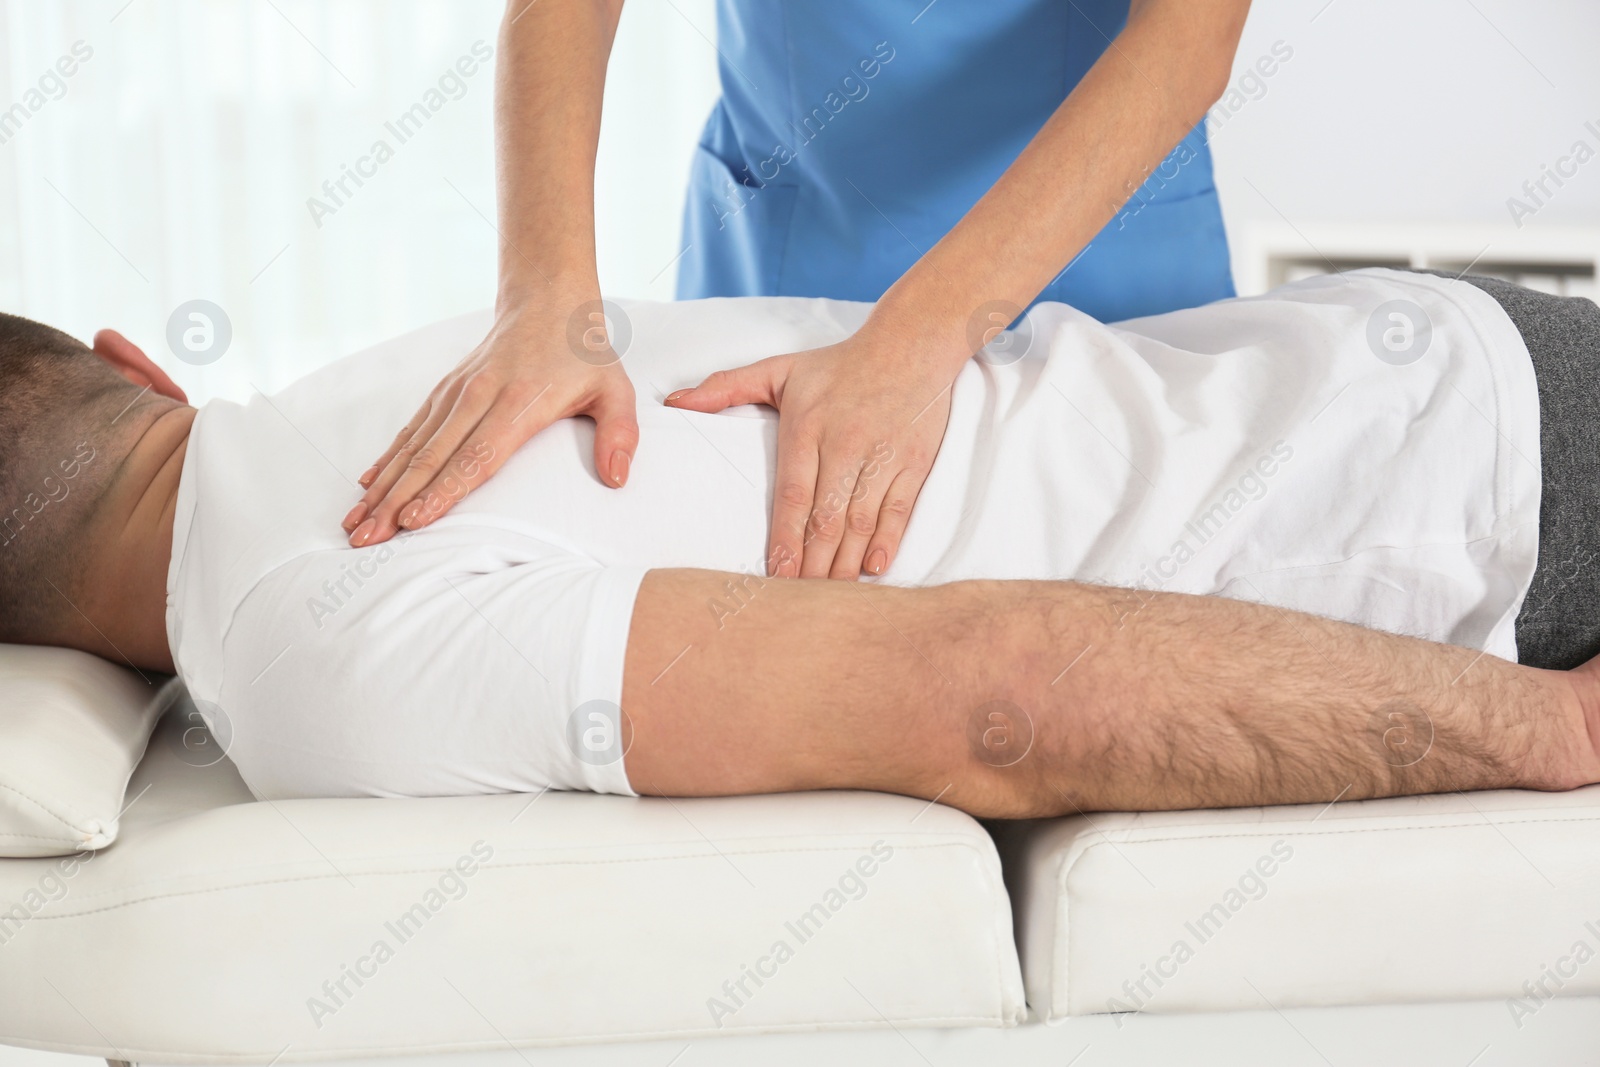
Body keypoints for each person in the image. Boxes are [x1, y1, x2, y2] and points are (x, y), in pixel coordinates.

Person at [3, 268, 1599, 817]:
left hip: (1457, 517)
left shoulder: (304, 650)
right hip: (1406, 365)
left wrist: (1555, 728)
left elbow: (996, 691)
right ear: (139, 363)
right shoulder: (373, 380)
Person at [341, 0, 1254, 584]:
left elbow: (1189, 33)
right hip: (792, 237)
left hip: (1094, 255)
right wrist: (544, 295)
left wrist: (922, 337)